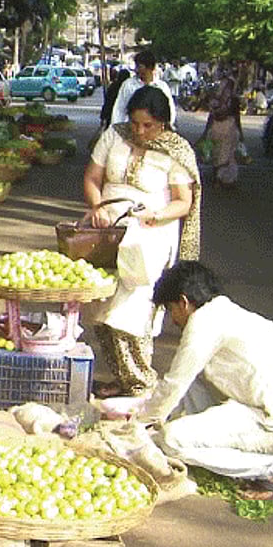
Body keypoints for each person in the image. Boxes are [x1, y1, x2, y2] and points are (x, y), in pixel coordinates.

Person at [101, 261, 273, 500]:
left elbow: (175, 384)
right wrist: (149, 416)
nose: (173, 320)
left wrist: (136, 425)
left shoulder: (203, 324)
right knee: (191, 389)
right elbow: (182, 384)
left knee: (170, 440)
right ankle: (175, 431)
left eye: (171, 310)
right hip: (262, 408)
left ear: (183, 302)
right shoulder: (222, 312)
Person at [83, 86, 201, 398]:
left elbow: (183, 202)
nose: (139, 131)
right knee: (101, 305)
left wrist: (157, 214)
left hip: (149, 237)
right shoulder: (114, 135)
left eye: (148, 125)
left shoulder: (176, 150)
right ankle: (123, 380)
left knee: (131, 309)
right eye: (135, 123)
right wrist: (99, 207)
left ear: (163, 123)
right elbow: (93, 179)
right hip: (108, 231)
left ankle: (140, 382)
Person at [197, 73, 243, 188]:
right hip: (226, 129)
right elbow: (236, 117)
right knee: (223, 155)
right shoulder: (230, 100)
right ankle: (220, 178)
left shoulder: (219, 100)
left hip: (221, 129)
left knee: (220, 154)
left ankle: (219, 178)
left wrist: (206, 132)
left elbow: (212, 117)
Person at [110, 50, 177, 127]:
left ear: (150, 67)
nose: (136, 70)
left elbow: (170, 108)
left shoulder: (162, 86)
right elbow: (119, 108)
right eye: (136, 66)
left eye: (140, 66)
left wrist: (169, 125)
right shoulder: (129, 85)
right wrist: (116, 127)